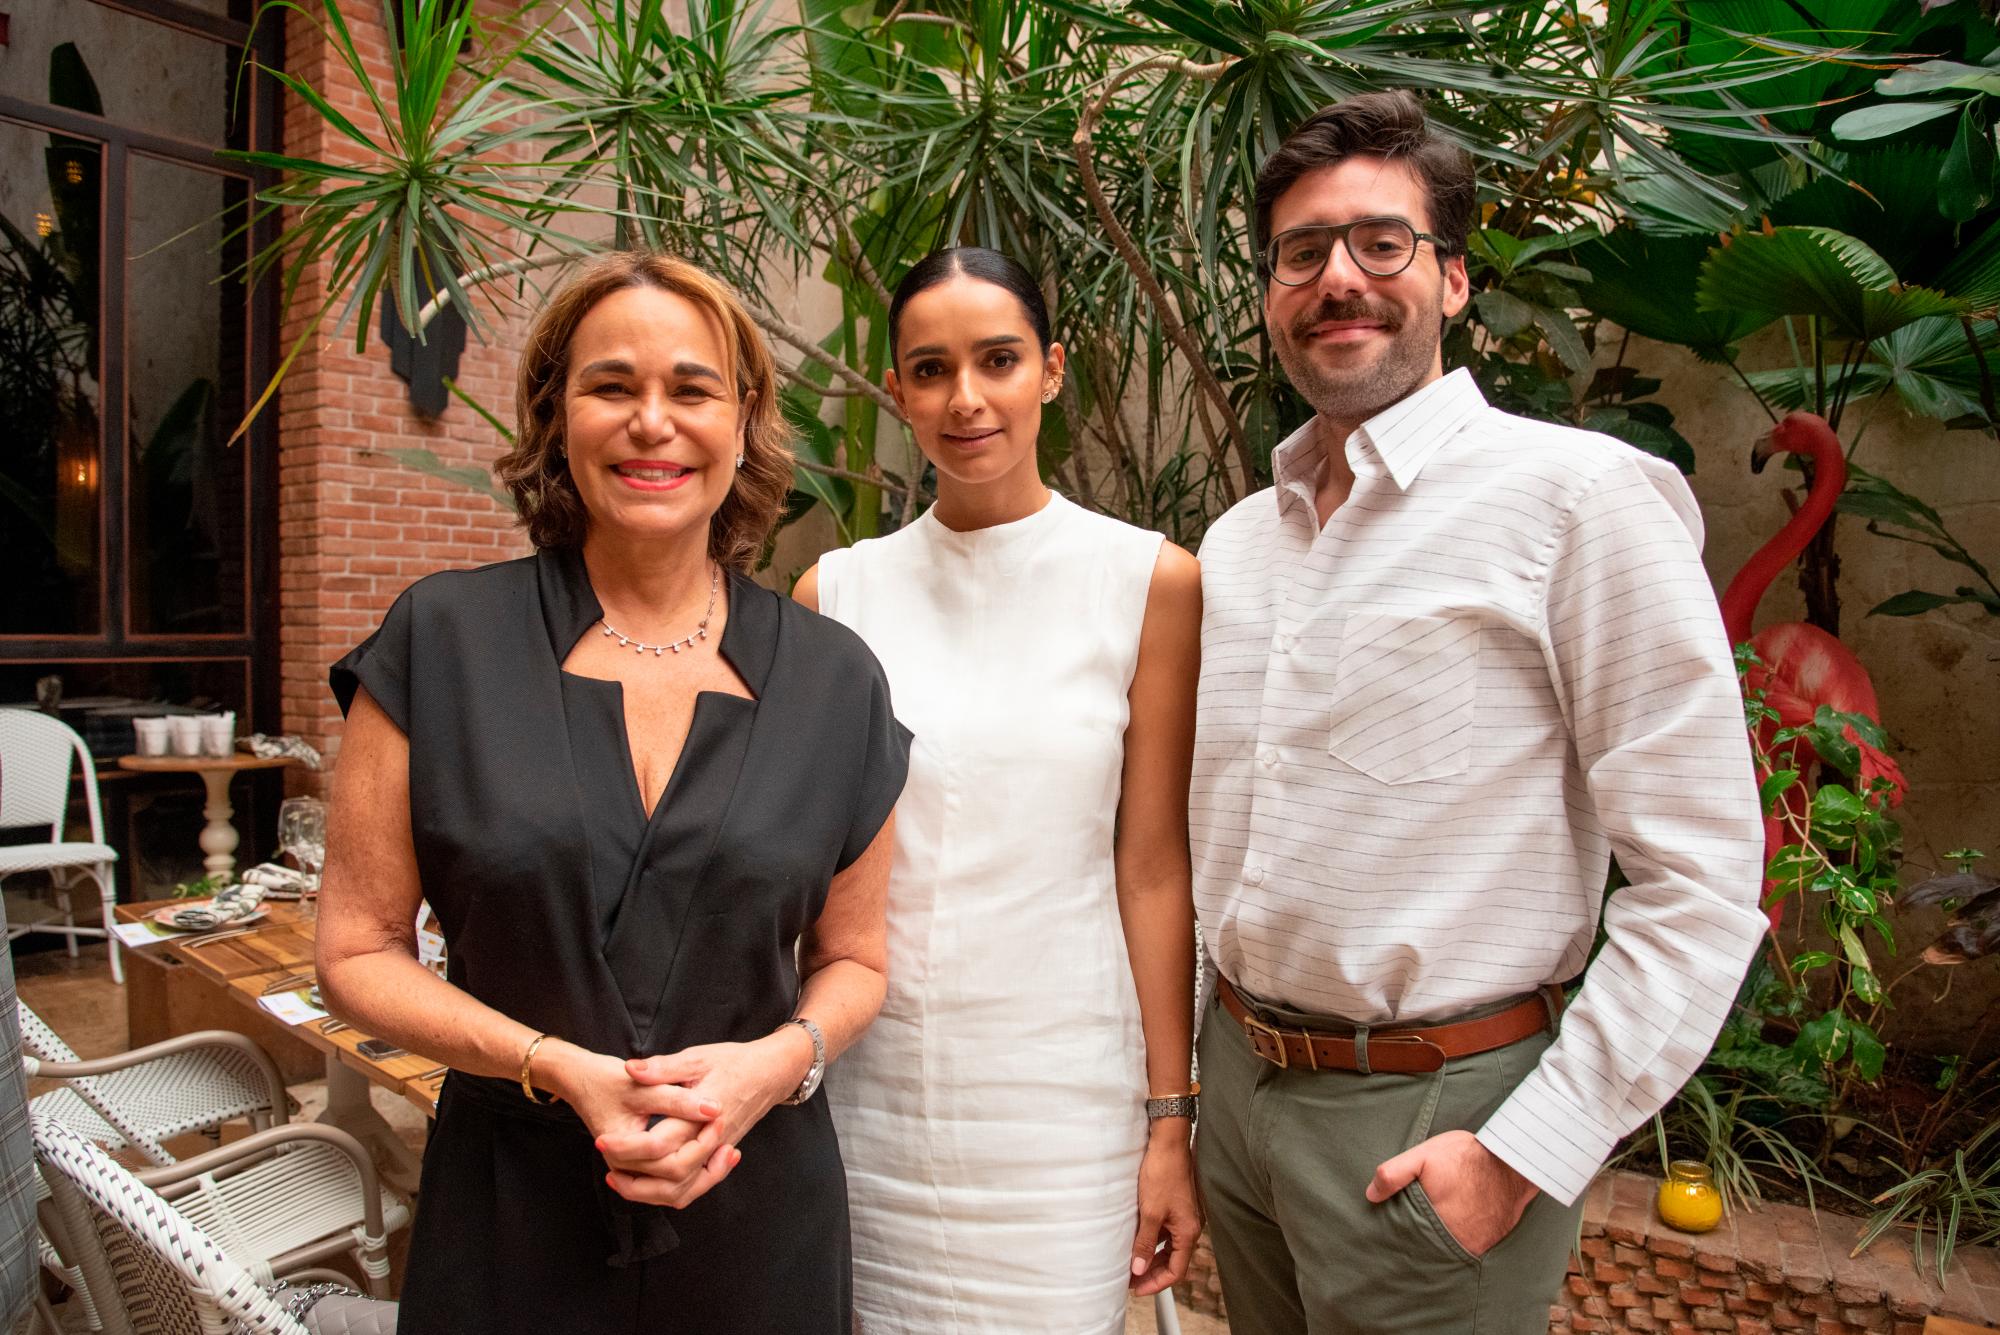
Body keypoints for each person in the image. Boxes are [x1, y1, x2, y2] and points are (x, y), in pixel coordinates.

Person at [1189, 91, 1767, 1332]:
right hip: (1239, 1094)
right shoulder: (1237, 546)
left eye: (1380, 243)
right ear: (1270, 294)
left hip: (1437, 1115)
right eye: (1300, 253)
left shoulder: (1577, 499)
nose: (1337, 277)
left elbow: (1702, 879)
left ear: (1452, 280)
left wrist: (1521, 1153)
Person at [319, 251, 910, 1335]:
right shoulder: (441, 640)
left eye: (690, 389)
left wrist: (770, 1068)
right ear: (555, 417)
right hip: (511, 1211)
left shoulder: (836, 679)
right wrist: (553, 1067)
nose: (652, 422)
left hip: (756, 1209)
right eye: (609, 386)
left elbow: (854, 961)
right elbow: (355, 952)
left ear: (743, 421)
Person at [795, 246, 1204, 1333]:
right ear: (896, 392)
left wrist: (1171, 1121)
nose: (964, 398)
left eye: (998, 360)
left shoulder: (1147, 579)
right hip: (870, 1089)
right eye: (929, 369)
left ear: (1050, 371)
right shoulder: (834, 592)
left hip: (1063, 1105)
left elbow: (1153, 865)